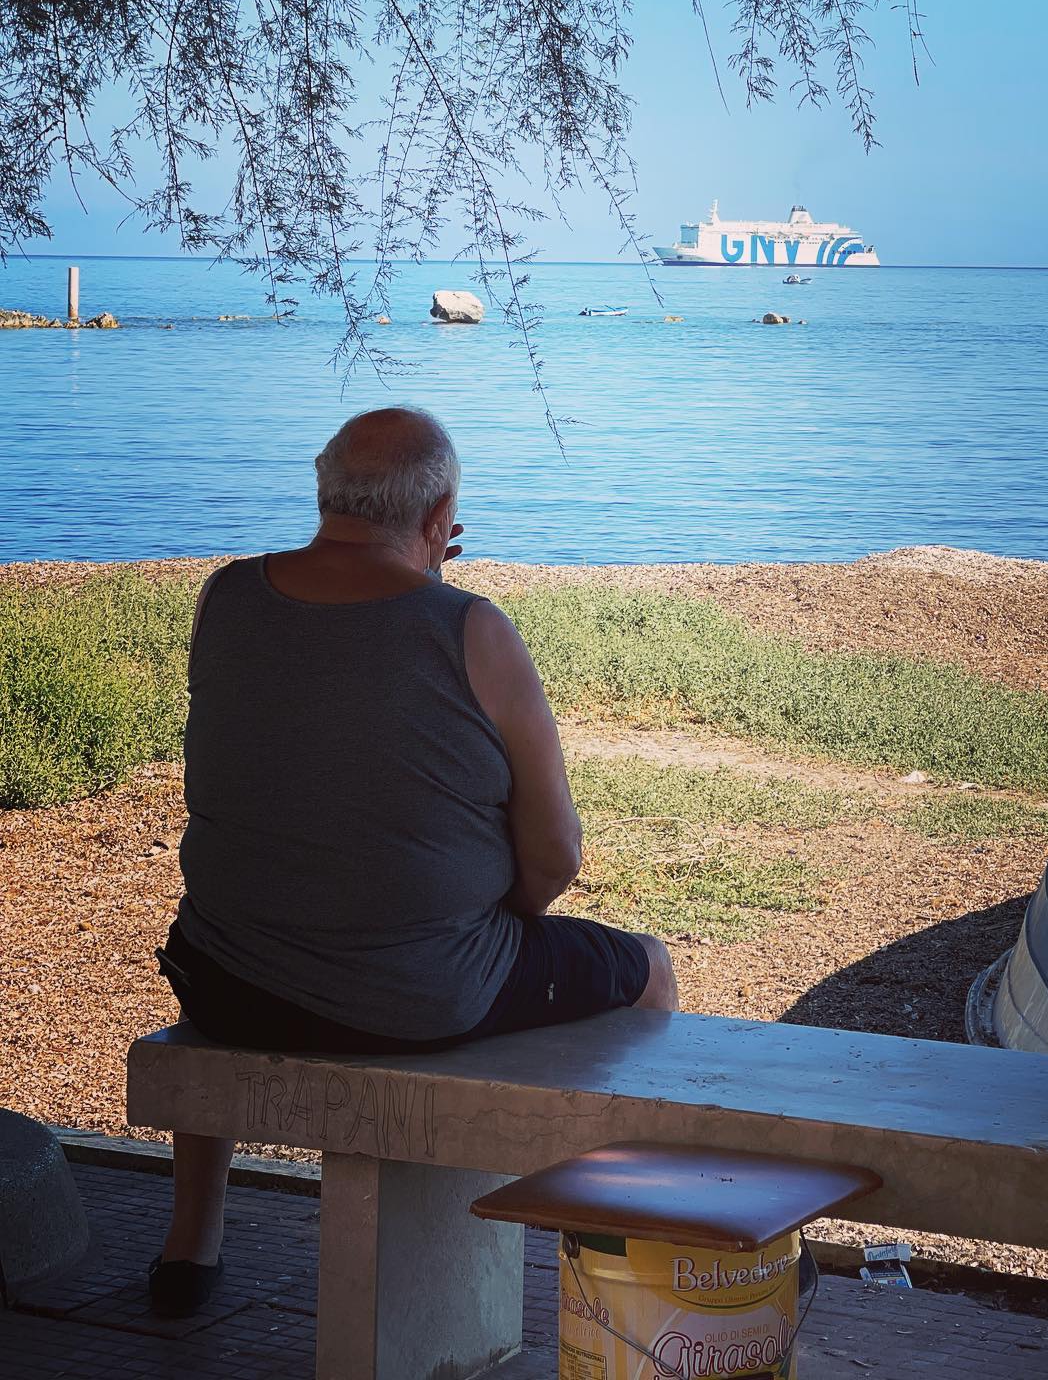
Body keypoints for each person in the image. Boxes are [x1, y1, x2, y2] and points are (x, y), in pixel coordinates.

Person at [148, 406, 677, 1317]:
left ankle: (190, 1249)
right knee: (650, 967)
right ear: (439, 517)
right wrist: (491, 916)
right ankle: (649, 1238)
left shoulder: (225, 596)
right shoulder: (471, 628)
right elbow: (555, 854)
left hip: (222, 981)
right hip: (419, 997)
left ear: (327, 496)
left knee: (247, 935)